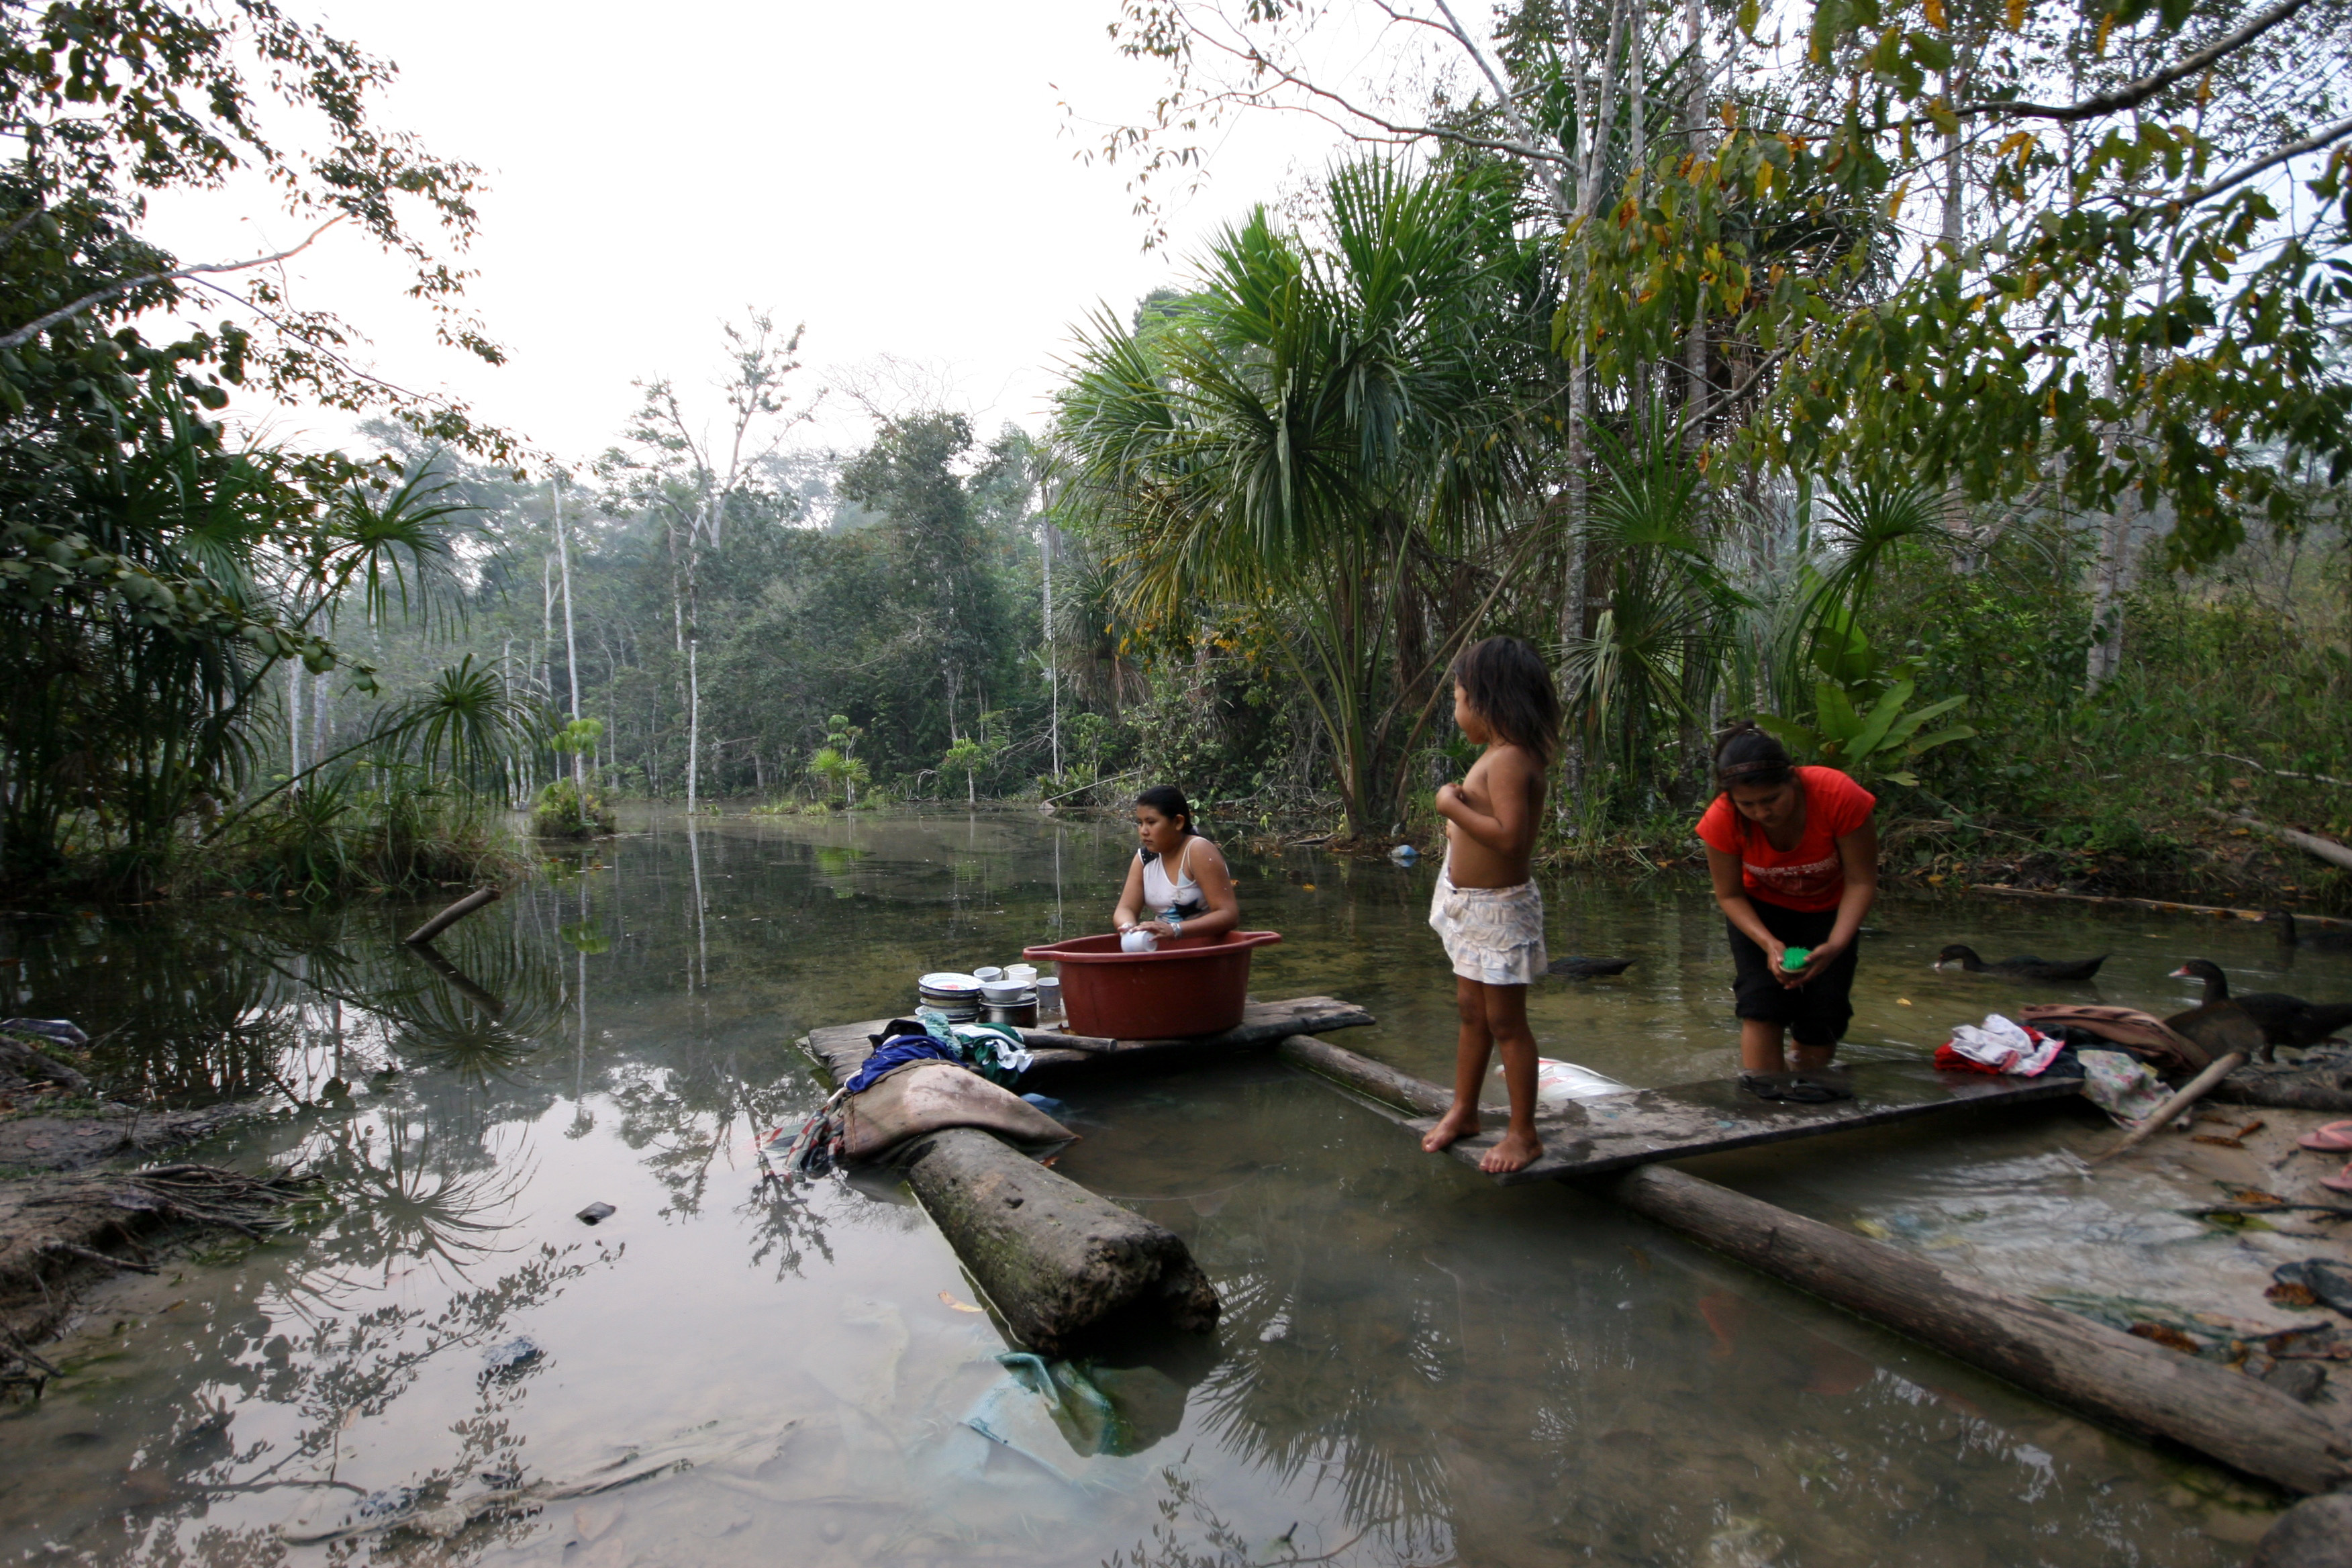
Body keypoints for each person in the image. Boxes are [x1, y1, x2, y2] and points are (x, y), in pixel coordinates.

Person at [1420, 636, 1562, 1175]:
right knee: (1471, 1013)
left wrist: (1449, 804)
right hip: (1472, 907)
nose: (1456, 712)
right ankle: (1465, 1110)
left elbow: (1509, 839)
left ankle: (1524, 1133)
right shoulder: (1497, 757)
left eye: (1457, 700)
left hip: (1500, 911)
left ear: (1486, 700)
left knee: (1506, 1022)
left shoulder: (1508, 761)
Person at [1696, 722, 1879, 1078]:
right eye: (1747, 805)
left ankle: (1808, 1085)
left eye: (1771, 799)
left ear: (1792, 778)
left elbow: (1861, 881)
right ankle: (1764, 1097)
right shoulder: (1721, 819)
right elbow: (1729, 894)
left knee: (1825, 1009)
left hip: (1831, 910)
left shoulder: (1838, 795)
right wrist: (1769, 944)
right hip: (1760, 912)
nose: (1762, 813)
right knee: (1762, 1002)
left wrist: (1836, 945)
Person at [1114, 784, 1240, 942]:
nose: (1143, 831)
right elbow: (1126, 908)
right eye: (1140, 823)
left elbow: (1228, 915)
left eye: (1151, 822)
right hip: (1163, 948)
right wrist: (1129, 928)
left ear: (1178, 822)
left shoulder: (1197, 851)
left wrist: (1175, 930)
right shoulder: (1144, 859)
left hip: (1205, 949)